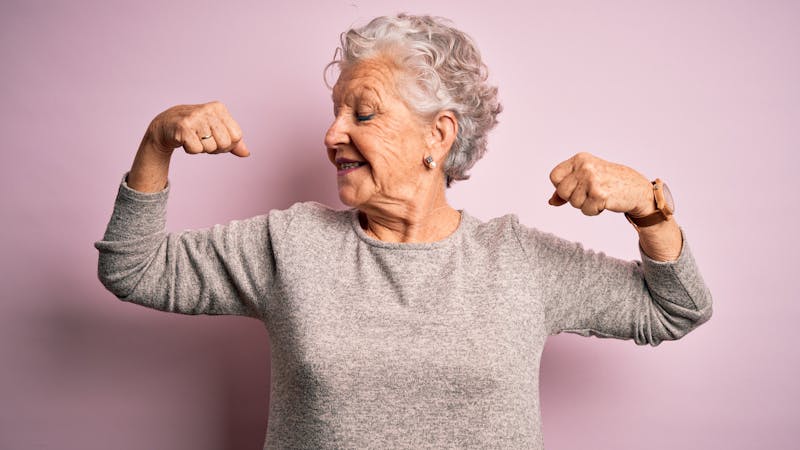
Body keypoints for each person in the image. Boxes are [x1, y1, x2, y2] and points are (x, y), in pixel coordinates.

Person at [95, 14, 712, 449]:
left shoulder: (518, 261)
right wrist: (158, 140)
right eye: (334, 112)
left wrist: (650, 211)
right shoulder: (291, 246)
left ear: (437, 137)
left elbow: (678, 309)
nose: (333, 134)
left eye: (362, 113)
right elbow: (133, 267)